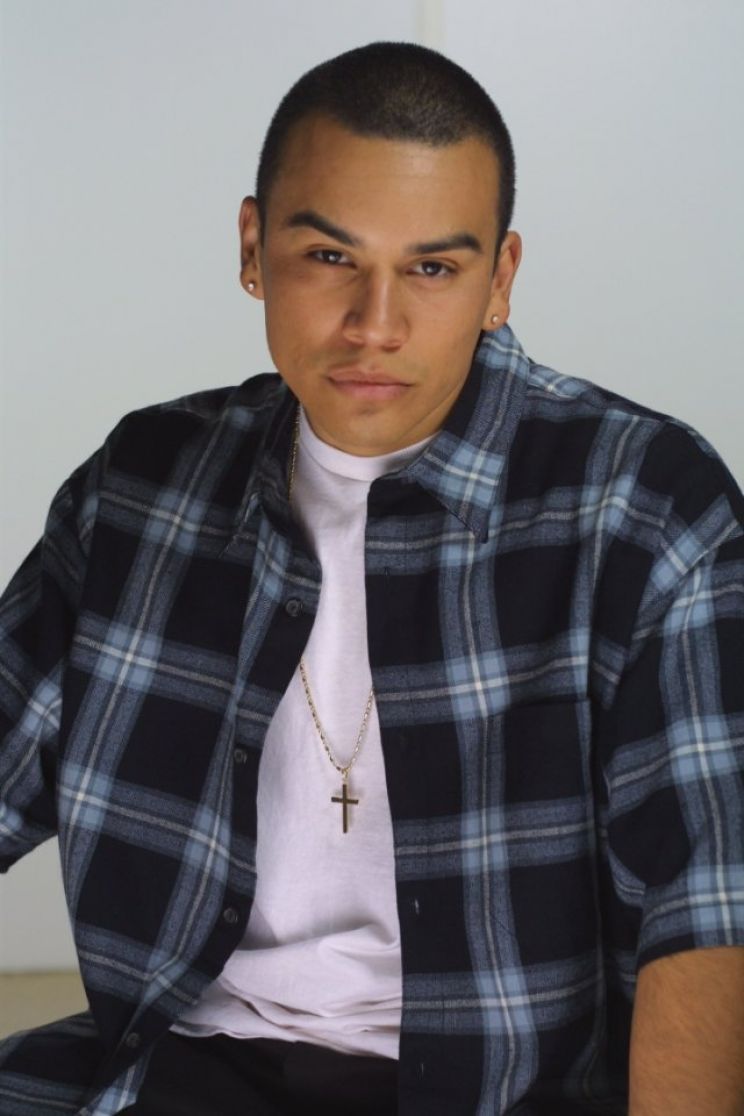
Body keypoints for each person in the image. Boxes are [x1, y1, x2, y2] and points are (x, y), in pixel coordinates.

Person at [1, 39, 743, 1116]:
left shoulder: (646, 506)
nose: (375, 325)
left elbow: (711, 906)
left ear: (500, 278)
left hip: (501, 1092)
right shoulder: (143, 486)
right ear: (253, 248)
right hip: (176, 1071)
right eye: (329, 257)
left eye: (432, 269)